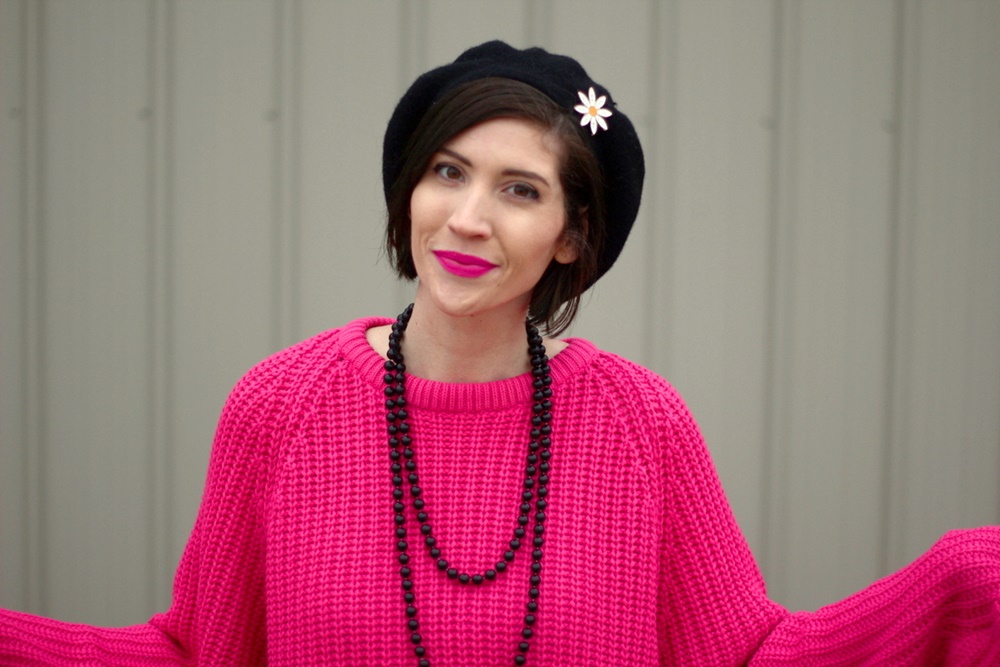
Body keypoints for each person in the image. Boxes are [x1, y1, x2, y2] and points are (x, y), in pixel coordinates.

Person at [2, 40, 998, 667]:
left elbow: (748, 653)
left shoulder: (641, 424)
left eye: (520, 189)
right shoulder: (281, 407)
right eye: (447, 172)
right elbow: (194, 654)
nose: (467, 219)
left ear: (572, 234)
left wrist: (963, 583)